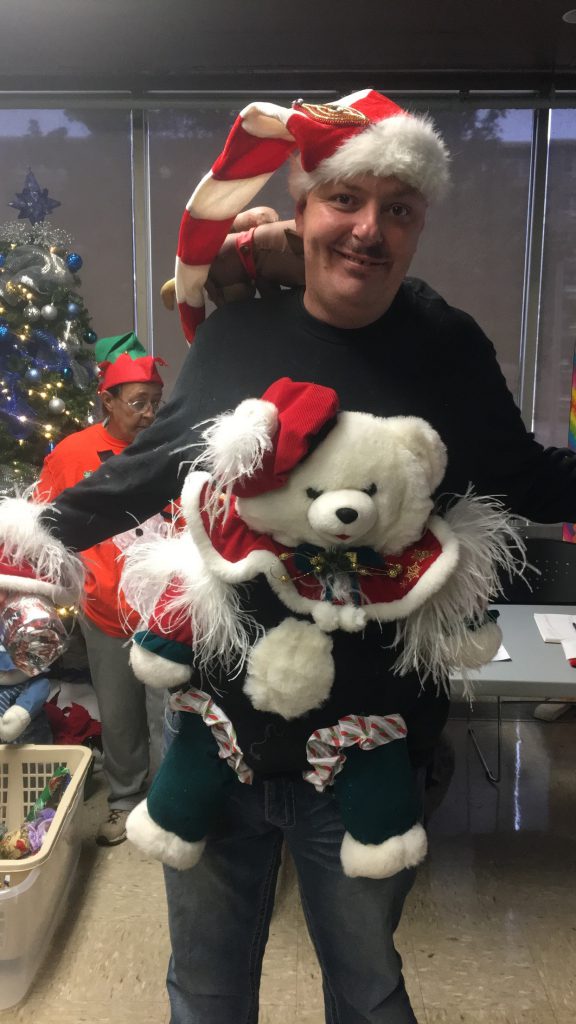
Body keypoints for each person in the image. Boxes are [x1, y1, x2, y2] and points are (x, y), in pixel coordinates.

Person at [3, 89, 576, 1022]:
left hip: (370, 749)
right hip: (218, 736)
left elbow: (520, 474)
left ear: (420, 223)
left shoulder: (445, 344)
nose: (368, 229)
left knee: (368, 988)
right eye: (346, 200)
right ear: (305, 208)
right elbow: (157, 464)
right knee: (206, 989)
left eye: (399, 209)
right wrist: (40, 532)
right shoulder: (240, 334)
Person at [34, 332, 172, 846]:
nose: (149, 415)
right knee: (119, 717)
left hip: (166, 615)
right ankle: (125, 802)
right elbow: (41, 527)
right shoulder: (72, 454)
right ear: (107, 400)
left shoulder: (168, 451)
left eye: (157, 403)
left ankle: (169, 807)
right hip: (104, 612)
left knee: (169, 716)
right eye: (138, 404)